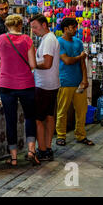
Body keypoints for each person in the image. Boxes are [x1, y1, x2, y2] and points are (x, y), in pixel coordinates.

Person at [0, 14, 40, 167]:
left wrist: (7, 63)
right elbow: (33, 64)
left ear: (7, 26)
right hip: (26, 84)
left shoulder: (0, 39)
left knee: (10, 120)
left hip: (6, 86)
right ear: (20, 25)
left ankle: (13, 157)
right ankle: (31, 150)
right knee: (30, 117)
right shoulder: (27, 40)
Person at [56, 18, 94, 147]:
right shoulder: (59, 42)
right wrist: (80, 57)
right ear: (65, 28)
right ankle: (61, 135)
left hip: (78, 82)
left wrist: (85, 79)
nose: (76, 29)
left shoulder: (78, 42)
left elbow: (82, 63)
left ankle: (81, 135)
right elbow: (67, 60)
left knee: (81, 111)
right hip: (64, 81)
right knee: (62, 111)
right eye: (73, 27)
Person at [30, 14, 60, 161]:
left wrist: (33, 65)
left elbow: (47, 63)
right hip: (51, 84)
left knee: (38, 119)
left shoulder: (48, 40)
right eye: (32, 28)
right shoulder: (48, 38)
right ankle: (48, 148)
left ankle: (42, 150)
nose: (34, 31)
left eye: (35, 27)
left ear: (44, 25)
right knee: (49, 117)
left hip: (44, 86)